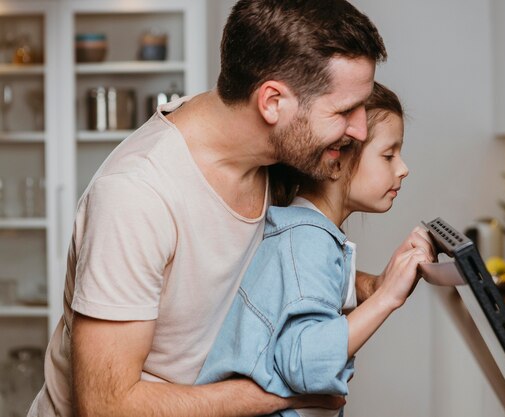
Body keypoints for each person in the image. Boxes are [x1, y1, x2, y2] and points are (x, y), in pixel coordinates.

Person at [28, 1, 435, 416]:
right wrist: (285, 393)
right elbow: (106, 407)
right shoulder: (137, 196)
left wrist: (374, 286)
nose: (360, 130)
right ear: (272, 101)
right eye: (345, 110)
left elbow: (274, 272)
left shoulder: (270, 151)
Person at [195, 82, 427, 417]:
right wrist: (386, 298)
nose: (403, 168)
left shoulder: (304, 229)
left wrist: (380, 283)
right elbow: (306, 364)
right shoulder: (307, 240)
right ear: (337, 159)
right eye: (389, 155)